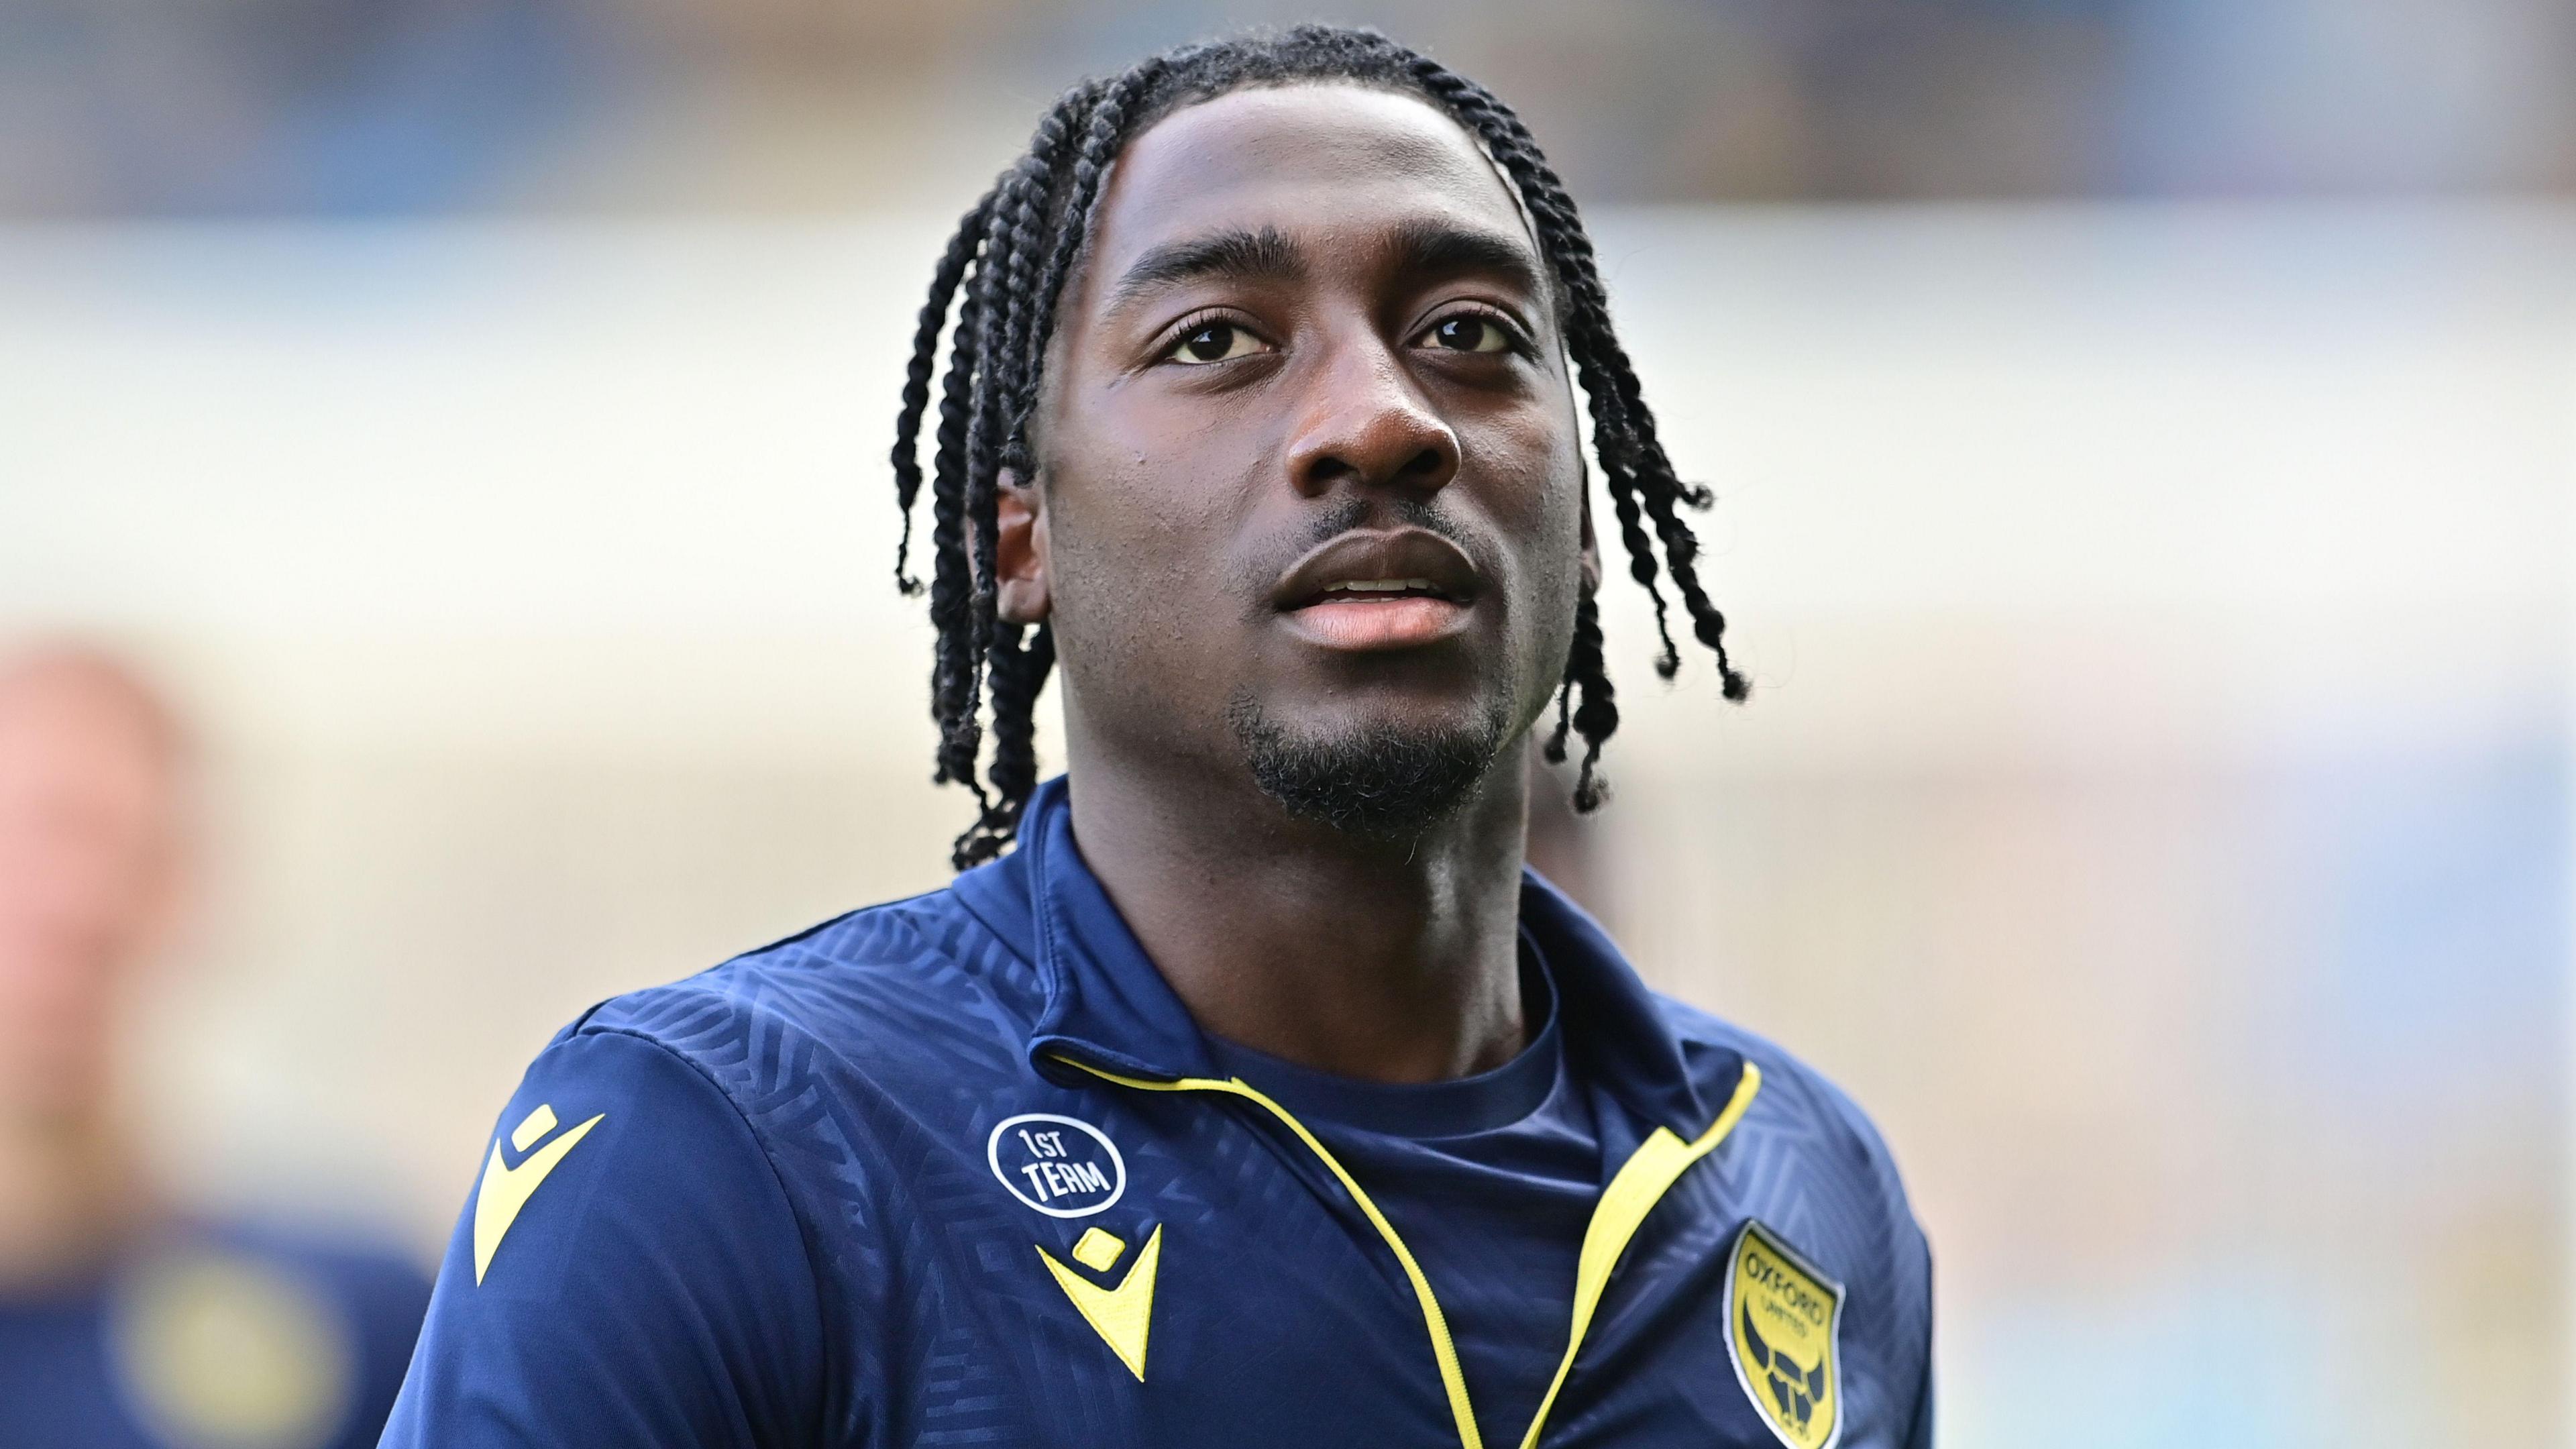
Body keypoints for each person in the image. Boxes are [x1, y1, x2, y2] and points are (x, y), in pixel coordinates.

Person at [384, 25, 1932, 1448]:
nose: (1383, 417)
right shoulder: (734, 1152)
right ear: (1019, 533)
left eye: (1465, 327)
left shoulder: (1806, 1186)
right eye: (1215, 340)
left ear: (1586, 508)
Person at [0, 646, 431, 1449]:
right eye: (30, 836)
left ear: (190, 894)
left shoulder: (363, 1320)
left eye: (125, 851)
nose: (73, 900)